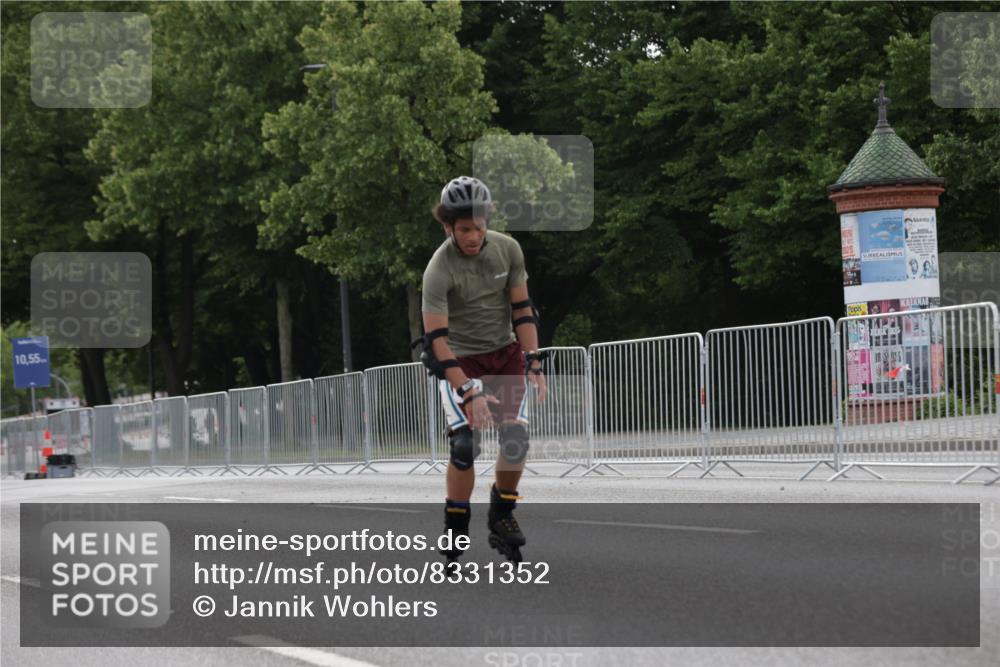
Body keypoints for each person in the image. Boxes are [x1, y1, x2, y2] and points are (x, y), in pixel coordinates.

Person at [419, 176, 547, 564]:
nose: (473, 236)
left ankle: (502, 514)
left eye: (478, 227)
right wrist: (469, 392)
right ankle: (456, 523)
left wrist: (534, 360)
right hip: (461, 358)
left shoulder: (508, 251)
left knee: (516, 441)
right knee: (464, 445)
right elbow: (437, 341)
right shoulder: (438, 269)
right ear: (447, 227)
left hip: (504, 354)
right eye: (463, 229)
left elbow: (522, 311)